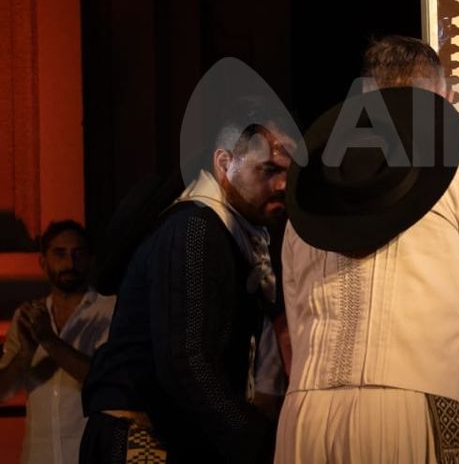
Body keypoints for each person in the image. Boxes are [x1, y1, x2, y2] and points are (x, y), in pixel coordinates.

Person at [276, 36, 459, 463]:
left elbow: (295, 311)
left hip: (305, 418)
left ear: (363, 97)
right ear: (446, 98)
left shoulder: (309, 187)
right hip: (414, 410)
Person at [81, 98, 297, 463]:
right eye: (268, 170)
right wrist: (261, 443)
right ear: (225, 164)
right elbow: (185, 362)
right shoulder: (194, 229)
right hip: (142, 440)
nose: (283, 184)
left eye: (289, 172)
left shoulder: (223, 232)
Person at [0, 221, 115, 464]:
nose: (69, 264)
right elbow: (3, 392)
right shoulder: (27, 315)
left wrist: (49, 341)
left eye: (78, 253)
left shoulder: (111, 311)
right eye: (60, 254)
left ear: (91, 259)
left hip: (89, 456)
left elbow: (103, 381)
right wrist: (23, 356)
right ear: (43, 262)